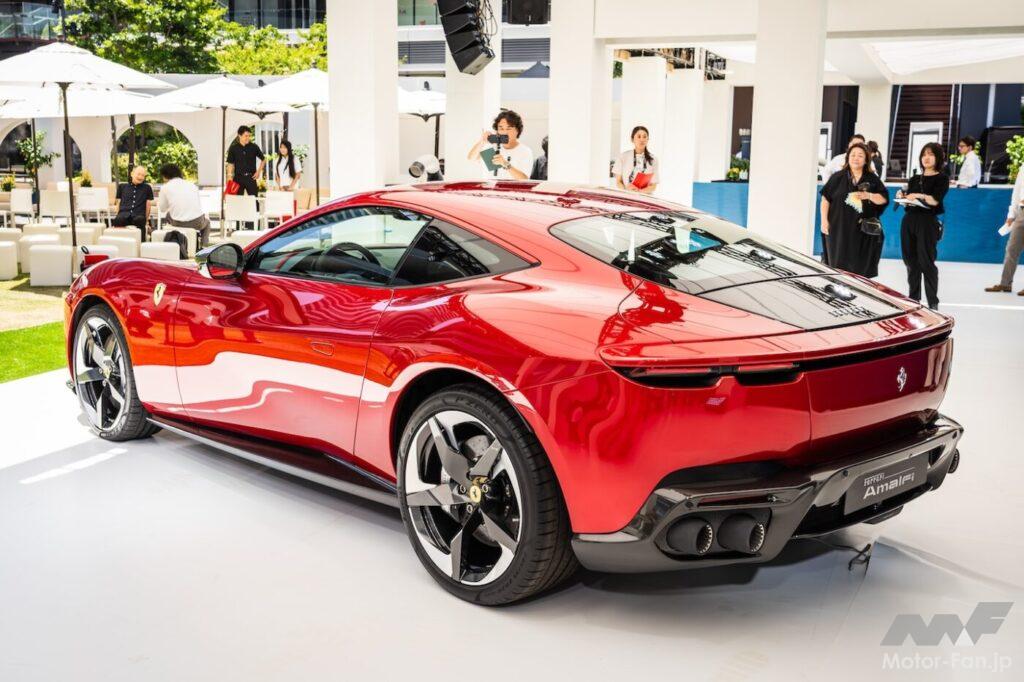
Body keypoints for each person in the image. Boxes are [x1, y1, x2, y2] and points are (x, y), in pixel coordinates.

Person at [819, 142, 890, 278]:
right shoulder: (837, 177)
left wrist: (869, 195)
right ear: (848, 158)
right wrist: (824, 221)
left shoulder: (872, 179)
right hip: (838, 230)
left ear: (866, 160)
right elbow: (825, 199)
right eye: (853, 155)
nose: (856, 158)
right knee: (838, 267)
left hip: (862, 232)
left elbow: (883, 199)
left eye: (860, 155)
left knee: (861, 269)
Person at [896, 142, 948, 309]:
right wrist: (903, 197)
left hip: (927, 222)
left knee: (926, 261)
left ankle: (933, 302)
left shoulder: (942, 178)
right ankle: (913, 299)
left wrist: (918, 195)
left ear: (938, 158)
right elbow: (908, 203)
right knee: (910, 261)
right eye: (924, 154)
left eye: (931, 154)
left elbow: (935, 200)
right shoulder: (914, 179)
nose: (926, 157)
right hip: (909, 220)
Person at [983, 165, 1024, 294]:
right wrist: (1011, 214)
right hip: (1021, 212)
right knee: (1011, 248)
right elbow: (1017, 192)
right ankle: (1005, 284)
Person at [467, 110, 533, 180]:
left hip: (512, 187)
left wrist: (505, 164)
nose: (505, 132)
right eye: (501, 128)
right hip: (492, 186)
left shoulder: (525, 151)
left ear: (517, 130)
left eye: (509, 128)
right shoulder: (492, 147)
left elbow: (524, 179)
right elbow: (472, 158)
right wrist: (482, 141)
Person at [158, 164, 211, 247]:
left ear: (165, 176)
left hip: (178, 223)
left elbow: (162, 209)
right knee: (207, 223)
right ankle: (204, 246)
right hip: (197, 222)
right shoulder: (192, 185)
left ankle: (175, 238)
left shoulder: (165, 187)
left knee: (168, 215)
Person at [613, 126, 659, 194]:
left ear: (648, 139)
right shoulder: (623, 157)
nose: (642, 139)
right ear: (632, 139)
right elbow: (618, 182)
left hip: (645, 197)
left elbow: (653, 186)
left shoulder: (653, 159)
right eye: (639, 137)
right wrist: (626, 190)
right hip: (627, 195)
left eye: (644, 137)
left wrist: (639, 192)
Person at [112, 165, 153, 237]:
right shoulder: (122, 186)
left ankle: (141, 242)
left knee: (140, 220)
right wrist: (117, 215)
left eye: (143, 175)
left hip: (138, 215)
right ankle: (120, 241)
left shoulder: (147, 188)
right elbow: (118, 203)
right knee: (118, 220)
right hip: (123, 214)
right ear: (132, 174)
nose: (140, 177)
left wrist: (146, 221)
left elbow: (148, 205)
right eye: (139, 174)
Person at [226, 125, 265, 197]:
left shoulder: (254, 147)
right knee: (237, 200)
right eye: (246, 136)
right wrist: (229, 177)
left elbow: (263, 159)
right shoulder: (233, 148)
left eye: (249, 136)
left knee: (254, 200)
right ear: (239, 135)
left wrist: (258, 172)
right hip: (238, 178)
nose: (248, 138)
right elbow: (230, 164)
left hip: (251, 178)